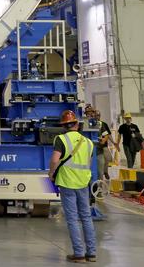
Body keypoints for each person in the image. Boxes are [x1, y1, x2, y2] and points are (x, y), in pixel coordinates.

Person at [50, 111, 97, 263]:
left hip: (67, 182)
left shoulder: (61, 139)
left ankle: (79, 254)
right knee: (86, 217)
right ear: (77, 124)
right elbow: (88, 163)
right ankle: (91, 253)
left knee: (72, 218)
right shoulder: (88, 142)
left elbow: (55, 159)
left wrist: (51, 173)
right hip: (83, 182)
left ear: (63, 126)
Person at [83, 104, 113, 180]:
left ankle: (99, 188)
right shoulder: (82, 123)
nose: (90, 114)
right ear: (85, 113)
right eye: (88, 113)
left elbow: (105, 134)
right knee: (88, 172)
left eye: (91, 112)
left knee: (100, 172)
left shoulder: (99, 123)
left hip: (98, 151)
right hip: (86, 153)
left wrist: (103, 140)